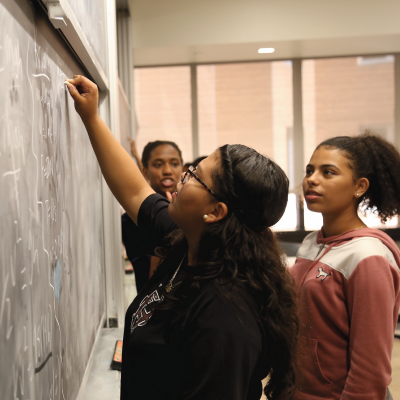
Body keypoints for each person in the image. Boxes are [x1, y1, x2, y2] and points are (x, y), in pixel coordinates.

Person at [65, 75, 299, 400]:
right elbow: (134, 190)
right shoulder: (189, 243)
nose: (179, 177)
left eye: (193, 176)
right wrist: (91, 117)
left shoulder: (224, 319)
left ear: (215, 211)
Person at [291, 133, 400, 400]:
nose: (311, 179)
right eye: (309, 170)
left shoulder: (368, 256)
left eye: (328, 172)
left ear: (359, 186)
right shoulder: (310, 243)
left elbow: (371, 369)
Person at [122, 138, 183, 291]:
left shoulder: (194, 211)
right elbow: (148, 275)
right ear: (145, 171)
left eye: (174, 164)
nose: (168, 170)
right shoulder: (131, 220)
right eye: (158, 165)